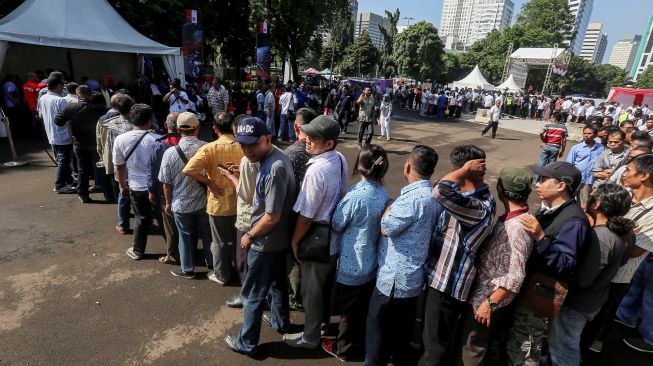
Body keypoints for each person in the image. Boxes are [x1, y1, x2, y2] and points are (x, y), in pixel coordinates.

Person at [223, 117, 295, 356]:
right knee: (277, 285)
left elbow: (272, 216)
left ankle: (247, 343)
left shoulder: (274, 168)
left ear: (268, 139)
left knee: (253, 295)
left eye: (252, 144)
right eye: (243, 145)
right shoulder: (273, 158)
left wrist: (250, 236)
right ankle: (280, 322)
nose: (247, 150)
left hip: (265, 241)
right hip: (277, 240)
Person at [507, 161, 590, 366]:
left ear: (561, 186)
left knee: (526, 350)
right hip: (528, 288)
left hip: (539, 296)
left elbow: (564, 264)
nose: (537, 184)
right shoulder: (549, 209)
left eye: (543, 180)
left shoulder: (574, 221)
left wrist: (541, 237)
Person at [419, 145, 496, 366]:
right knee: (435, 341)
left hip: (446, 285)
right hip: (444, 282)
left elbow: (439, 190)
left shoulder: (479, 205)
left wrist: (464, 170)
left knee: (434, 349)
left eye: (457, 170)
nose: (452, 176)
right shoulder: (469, 198)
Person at [366, 145, 440, 366]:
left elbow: (385, 227)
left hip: (393, 277)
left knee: (377, 327)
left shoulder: (411, 200)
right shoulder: (434, 195)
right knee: (402, 330)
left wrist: (388, 208)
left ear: (407, 166)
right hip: (414, 276)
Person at [547, 184, 633, 365]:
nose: (590, 198)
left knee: (564, 347)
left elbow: (583, 280)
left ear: (598, 204)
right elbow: (623, 261)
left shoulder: (600, 237)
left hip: (578, 304)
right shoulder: (626, 233)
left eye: (593, 196)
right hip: (595, 299)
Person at [321, 144, 390, 361]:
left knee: (348, 311)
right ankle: (354, 339)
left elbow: (337, 223)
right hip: (371, 260)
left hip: (352, 261)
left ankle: (344, 348)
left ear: (360, 166)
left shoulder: (356, 195)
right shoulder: (382, 191)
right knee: (360, 307)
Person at [284, 116, 348, 349]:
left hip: (315, 241)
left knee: (311, 293)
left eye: (314, 138)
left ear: (329, 143)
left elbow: (305, 215)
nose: (307, 140)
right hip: (333, 238)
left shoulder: (316, 170)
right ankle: (320, 326)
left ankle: (310, 338)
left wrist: (294, 241)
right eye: (307, 135)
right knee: (324, 288)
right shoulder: (339, 159)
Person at [459, 167, 534, 366]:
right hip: (487, 296)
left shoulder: (517, 228)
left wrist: (489, 304)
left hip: (489, 300)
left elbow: (515, 276)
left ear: (501, 190)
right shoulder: (520, 217)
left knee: (473, 350)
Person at [183, 112, 244, 286]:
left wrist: (209, 182)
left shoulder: (210, 148)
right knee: (239, 241)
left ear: (215, 129)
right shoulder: (243, 145)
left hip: (218, 204)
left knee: (219, 242)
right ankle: (241, 272)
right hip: (241, 202)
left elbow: (189, 170)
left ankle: (222, 274)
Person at [158, 112, 212, 279]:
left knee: (185, 236)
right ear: (197, 128)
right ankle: (213, 266)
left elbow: (166, 183)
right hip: (205, 201)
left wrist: (168, 202)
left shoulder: (169, 153)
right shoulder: (207, 147)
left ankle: (187, 269)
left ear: (178, 129)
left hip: (181, 203)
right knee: (208, 234)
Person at [113, 104, 161, 260]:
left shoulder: (120, 139)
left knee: (141, 218)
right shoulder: (158, 139)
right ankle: (173, 250)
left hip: (135, 186)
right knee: (163, 218)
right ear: (149, 120)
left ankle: (138, 250)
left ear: (131, 118)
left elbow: (119, 167)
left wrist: (122, 186)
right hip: (156, 186)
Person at [284, 107, 317, 310]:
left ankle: (296, 296)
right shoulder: (325, 150)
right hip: (315, 214)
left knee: (294, 257)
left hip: (295, 214)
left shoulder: (290, 153)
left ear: (297, 126)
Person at [55, 86, 108, 202]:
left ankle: (83, 194)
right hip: (96, 142)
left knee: (82, 168)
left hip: (79, 142)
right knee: (101, 166)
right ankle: (108, 193)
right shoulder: (100, 108)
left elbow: (58, 121)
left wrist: (69, 122)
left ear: (78, 95)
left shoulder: (71, 107)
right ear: (90, 94)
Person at [96, 94, 135, 233]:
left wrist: (102, 157)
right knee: (138, 192)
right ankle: (141, 220)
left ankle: (123, 224)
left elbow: (99, 142)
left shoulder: (105, 122)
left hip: (116, 163)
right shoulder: (137, 123)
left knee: (122, 191)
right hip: (135, 164)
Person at [38, 78, 74, 193]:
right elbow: (67, 119)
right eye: (61, 85)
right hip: (63, 134)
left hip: (51, 133)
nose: (63, 88)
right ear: (56, 86)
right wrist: (73, 133)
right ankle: (60, 184)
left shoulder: (43, 98)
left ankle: (68, 181)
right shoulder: (60, 100)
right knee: (64, 160)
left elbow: (41, 114)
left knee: (61, 159)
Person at [566, 125, 604, 206]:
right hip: (577, 179)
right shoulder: (576, 148)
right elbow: (569, 164)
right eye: (585, 133)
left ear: (595, 135)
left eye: (589, 133)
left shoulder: (601, 148)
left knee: (585, 202)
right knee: (569, 199)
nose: (586, 135)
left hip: (591, 180)